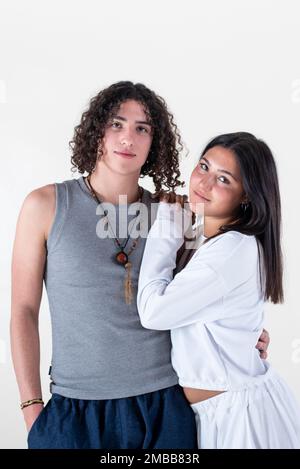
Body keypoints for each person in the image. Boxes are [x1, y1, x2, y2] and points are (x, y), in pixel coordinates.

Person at [10, 81, 268, 449]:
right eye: (116, 124)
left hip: (164, 407)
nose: (128, 138)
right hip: (74, 410)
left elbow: (210, 290)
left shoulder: (178, 214)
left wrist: (244, 334)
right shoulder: (46, 205)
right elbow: (23, 310)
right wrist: (32, 407)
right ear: (96, 131)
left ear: (154, 142)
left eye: (141, 128)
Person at [137, 132, 300, 449]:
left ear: (246, 196)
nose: (204, 183)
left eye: (223, 179)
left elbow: (154, 312)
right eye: (203, 166)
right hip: (218, 410)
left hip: (241, 417)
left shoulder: (230, 249)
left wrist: (165, 232)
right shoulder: (209, 239)